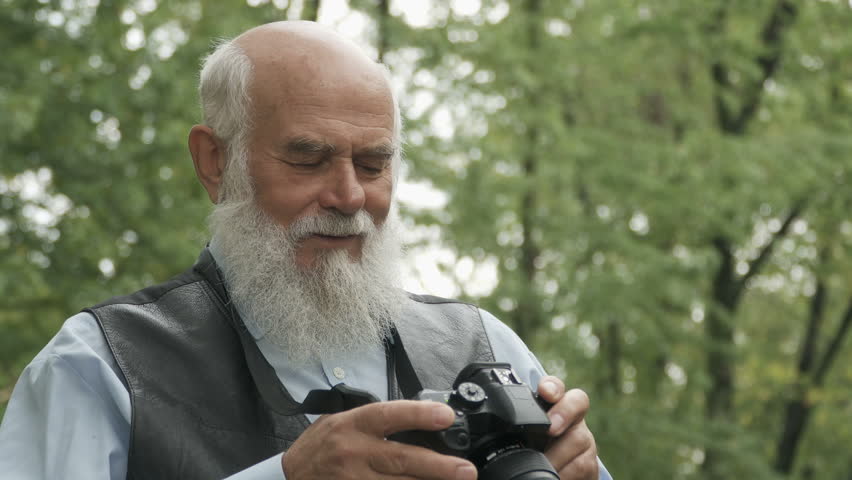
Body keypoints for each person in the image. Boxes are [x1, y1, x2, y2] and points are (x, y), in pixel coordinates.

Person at [0, 21, 612, 480]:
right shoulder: (99, 367)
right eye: (307, 158)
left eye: (373, 164)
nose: (348, 196)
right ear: (217, 163)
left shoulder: (487, 348)